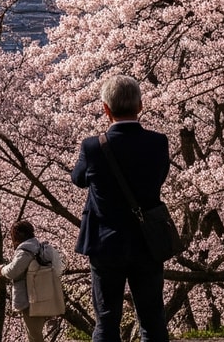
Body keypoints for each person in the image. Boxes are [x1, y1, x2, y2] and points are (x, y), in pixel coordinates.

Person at [71, 74, 171, 342]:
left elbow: (78, 179)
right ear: (140, 106)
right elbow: (160, 177)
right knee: (152, 320)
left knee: (106, 321)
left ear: (106, 109)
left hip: (105, 244)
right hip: (147, 244)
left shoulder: (92, 147)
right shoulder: (158, 143)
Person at [0, 220, 61, 342]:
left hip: (31, 299)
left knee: (34, 335)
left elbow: (13, 271)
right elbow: (59, 268)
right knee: (35, 334)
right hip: (45, 295)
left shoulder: (26, 251)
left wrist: (2, 269)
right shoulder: (42, 248)